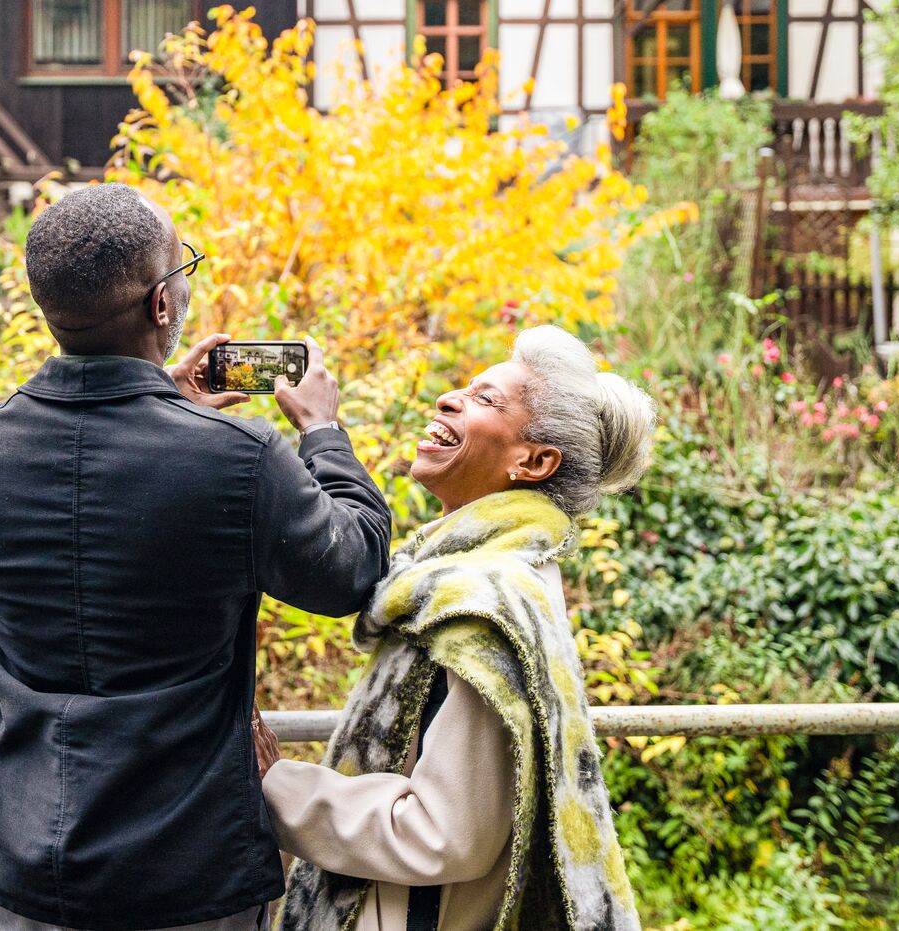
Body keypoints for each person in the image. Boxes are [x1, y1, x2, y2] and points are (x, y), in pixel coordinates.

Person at [0, 183, 391, 931]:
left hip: (23, 864)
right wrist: (321, 431)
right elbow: (353, 570)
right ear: (160, 306)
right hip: (183, 870)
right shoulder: (239, 459)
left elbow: (88, 534)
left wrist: (163, 401)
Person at [256, 325, 651, 931]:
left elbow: (446, 833)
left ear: (536, 461)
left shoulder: (485, 602)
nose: (448, 399)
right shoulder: (484, 578)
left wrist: (277, 786)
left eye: (487, 400)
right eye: (465, 388)